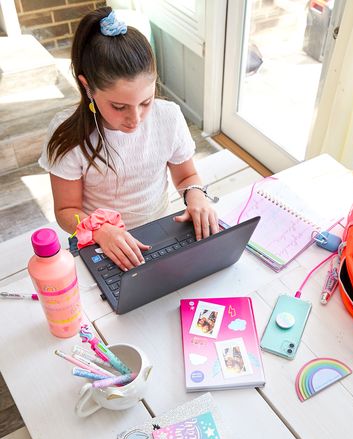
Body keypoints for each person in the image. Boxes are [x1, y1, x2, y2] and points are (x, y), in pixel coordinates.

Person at [39, 7, 219, 272]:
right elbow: (67, 210)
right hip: (99, 242)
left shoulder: (168, 116)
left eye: (145, 102)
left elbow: (185, 177)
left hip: (159, 230)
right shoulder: (68, 135)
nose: (135, 119)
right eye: (119, 107)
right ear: (87, 87)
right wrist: (100, 230)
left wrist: (196, 195)